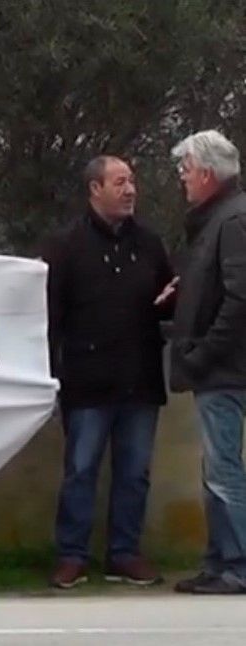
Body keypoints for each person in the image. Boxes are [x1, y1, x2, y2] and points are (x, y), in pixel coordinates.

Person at [40, 156, 174, 589]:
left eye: (133, 181)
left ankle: (124, 554)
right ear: (94, 189)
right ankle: (71, 555)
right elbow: (48, 317)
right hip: (86, 379)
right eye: (120, 182)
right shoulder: (64, 246)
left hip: (141, 376)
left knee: (135, 472)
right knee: (80, 470)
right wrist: (51, 374)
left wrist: (175, 298)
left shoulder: (151, 244)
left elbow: (166, 301)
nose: (131, 189)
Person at [168, 130, 246, 595]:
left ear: (206, 173)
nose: (182, 179)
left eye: (185, 170)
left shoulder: (232, 221)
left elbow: (239, 295)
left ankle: (236, 565)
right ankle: (219, 561)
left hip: (226, 367)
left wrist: (203, 352)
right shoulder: (218, 219)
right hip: (220, 366)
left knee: (224, 471)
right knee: (216, 469)